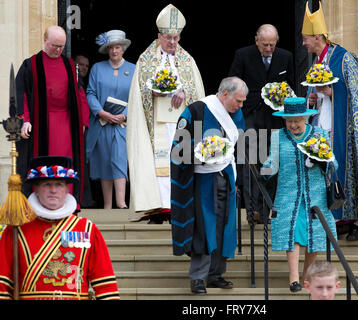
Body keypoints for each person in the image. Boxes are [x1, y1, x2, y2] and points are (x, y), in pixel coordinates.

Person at [302, 1, 358, 240]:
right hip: (322, 126)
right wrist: (311, 100)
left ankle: (356, 223)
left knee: (348, 171)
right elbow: (315, 95)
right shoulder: (316, 62)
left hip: (344, 128)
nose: (303, 43)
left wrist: (333, 94)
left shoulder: (344, 58)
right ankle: (338, 218)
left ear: (317, 37)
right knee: (328, 173)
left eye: (306, 39)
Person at [0, 156, 120, 300]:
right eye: (47, 184)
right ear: (36, 189)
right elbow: (2, 284)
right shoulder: (16, 229)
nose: (53, 190)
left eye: (59, 184)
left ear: (67, 190)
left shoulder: (87, 229)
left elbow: (105, 285)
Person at [127, 3, 205, 223]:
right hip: (156, 124)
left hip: (180, 123)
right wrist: (152, 92)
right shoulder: (146, 60)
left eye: (176, 38)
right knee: (158, 164)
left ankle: (179, 206)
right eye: (168, 38)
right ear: (159, 35)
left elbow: (196, 90)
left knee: (179, 162)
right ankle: (160, 207)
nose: (172, 42)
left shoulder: (187, 60)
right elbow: (139, 92)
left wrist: (184, 91)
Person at [170, 77, 247, 294]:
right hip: (202, 178)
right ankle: (198, 278)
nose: (241, 106)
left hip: (226, 175)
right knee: (204, 227)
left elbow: (239, 145)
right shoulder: (196, 111)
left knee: (224, 224)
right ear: (224, 94)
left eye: (243, 102)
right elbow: (179, 147)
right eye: (238, 101)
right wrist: (201, 152)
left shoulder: (236, 113)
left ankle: (216, 274)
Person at [261, 97, 337, 292]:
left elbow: (333, 165)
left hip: (316, 194)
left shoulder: (319, 134)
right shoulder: (278, 136)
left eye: (297, 120)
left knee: (315, 236)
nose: (293, 124)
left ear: (305, 118)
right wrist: (264, 170)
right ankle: (294, 278)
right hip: (289, 194)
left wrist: (321, 161)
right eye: (289, 120)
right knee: (292, 232)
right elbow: (272, 162)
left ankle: (306, 276)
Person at [15, 25, 90, 210]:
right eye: (54, 45)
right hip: (41, 125)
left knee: (66, 165)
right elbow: (20, 94)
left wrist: (83, 121)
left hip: (66, 125)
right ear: (44, 40)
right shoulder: (30, 64)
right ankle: (40, 204)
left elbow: (81, 94)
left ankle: (69, 203)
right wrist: (24, 119)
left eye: (61, 47)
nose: (58, 50)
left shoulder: (70, 66)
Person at [228, 24, 295, 224]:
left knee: (272, 163)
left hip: (274, 118)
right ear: (256, 41)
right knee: (250, 164)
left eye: (272, 45)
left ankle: (267, 209)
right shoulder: (242, 55)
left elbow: (291, 85)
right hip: (250, 115)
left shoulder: (286, 57)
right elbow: (233, 82)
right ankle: (251, 210)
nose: (268, 49)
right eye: (265, 44)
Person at [86, 30, 135, 209]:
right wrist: (101, 112)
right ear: (107, 50)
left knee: (120, 159)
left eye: (117, 47)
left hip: (122, 124)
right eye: (111, 48)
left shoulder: (133, 69)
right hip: (102, 123)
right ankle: (107, 205)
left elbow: (136, 96)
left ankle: (121, 203)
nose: (114, 51)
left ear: (123, 49)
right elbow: (90, 93)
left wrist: (125, 114)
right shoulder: (97, 68)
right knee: (104, 160)